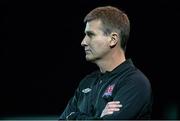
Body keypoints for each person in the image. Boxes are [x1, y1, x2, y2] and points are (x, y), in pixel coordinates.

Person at [59, 6, 153, 120]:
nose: (83, 42)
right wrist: (98, 118)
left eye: (90, 35)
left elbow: (68, 117)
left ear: (113, 39)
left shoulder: (135, 83)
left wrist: (73, 117)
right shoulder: (86, 83)